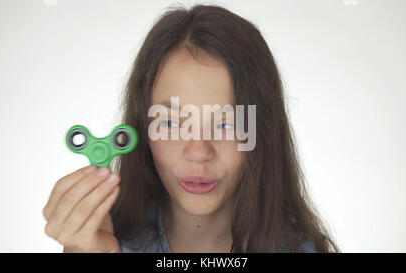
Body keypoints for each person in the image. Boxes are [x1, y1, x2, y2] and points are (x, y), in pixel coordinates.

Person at [43, 4, 339, 253]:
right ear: (142, 131)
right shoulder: (103, 244)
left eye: (227, 124)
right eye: (171, 123)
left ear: (261, 133)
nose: (198, 152)